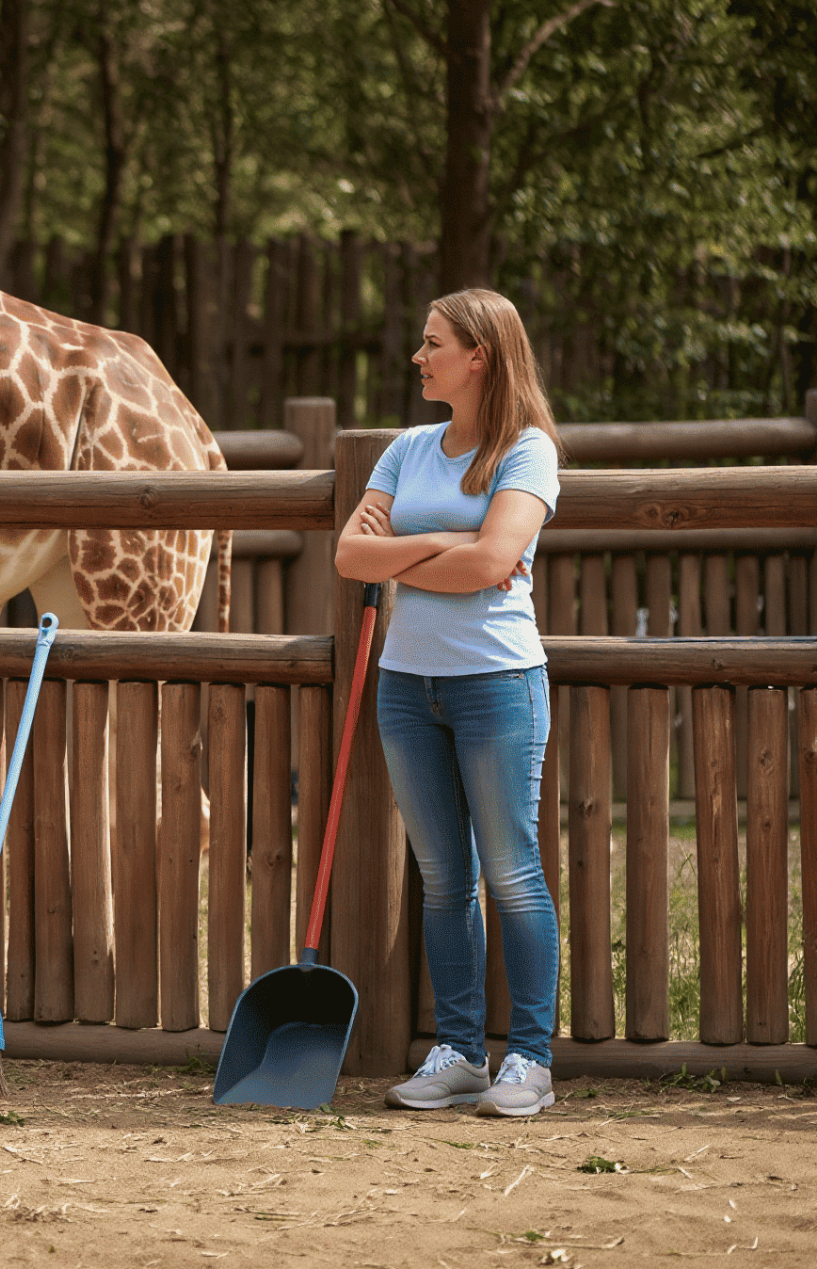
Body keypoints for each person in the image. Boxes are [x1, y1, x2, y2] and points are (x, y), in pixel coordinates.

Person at [335, 288, 564, 1119]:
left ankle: (530, 1060)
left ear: (480, 357)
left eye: (433, 344)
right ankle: (463, 1054)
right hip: (406, 687)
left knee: (512, 874)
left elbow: (492, 563)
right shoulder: (406, 449)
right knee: (443, 880)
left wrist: (407, 551)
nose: (418, 357)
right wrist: (447, 542)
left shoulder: (528, 451)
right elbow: (349, 557)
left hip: (499, 684)